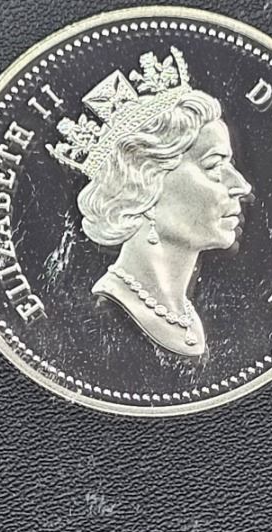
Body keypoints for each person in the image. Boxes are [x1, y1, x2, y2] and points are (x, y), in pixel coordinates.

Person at [50, 48, 251, 357]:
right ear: (142, 185)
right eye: (213, 165)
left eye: (230, 165)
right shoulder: (103, 319)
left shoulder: (186, 315)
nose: (241, 186)